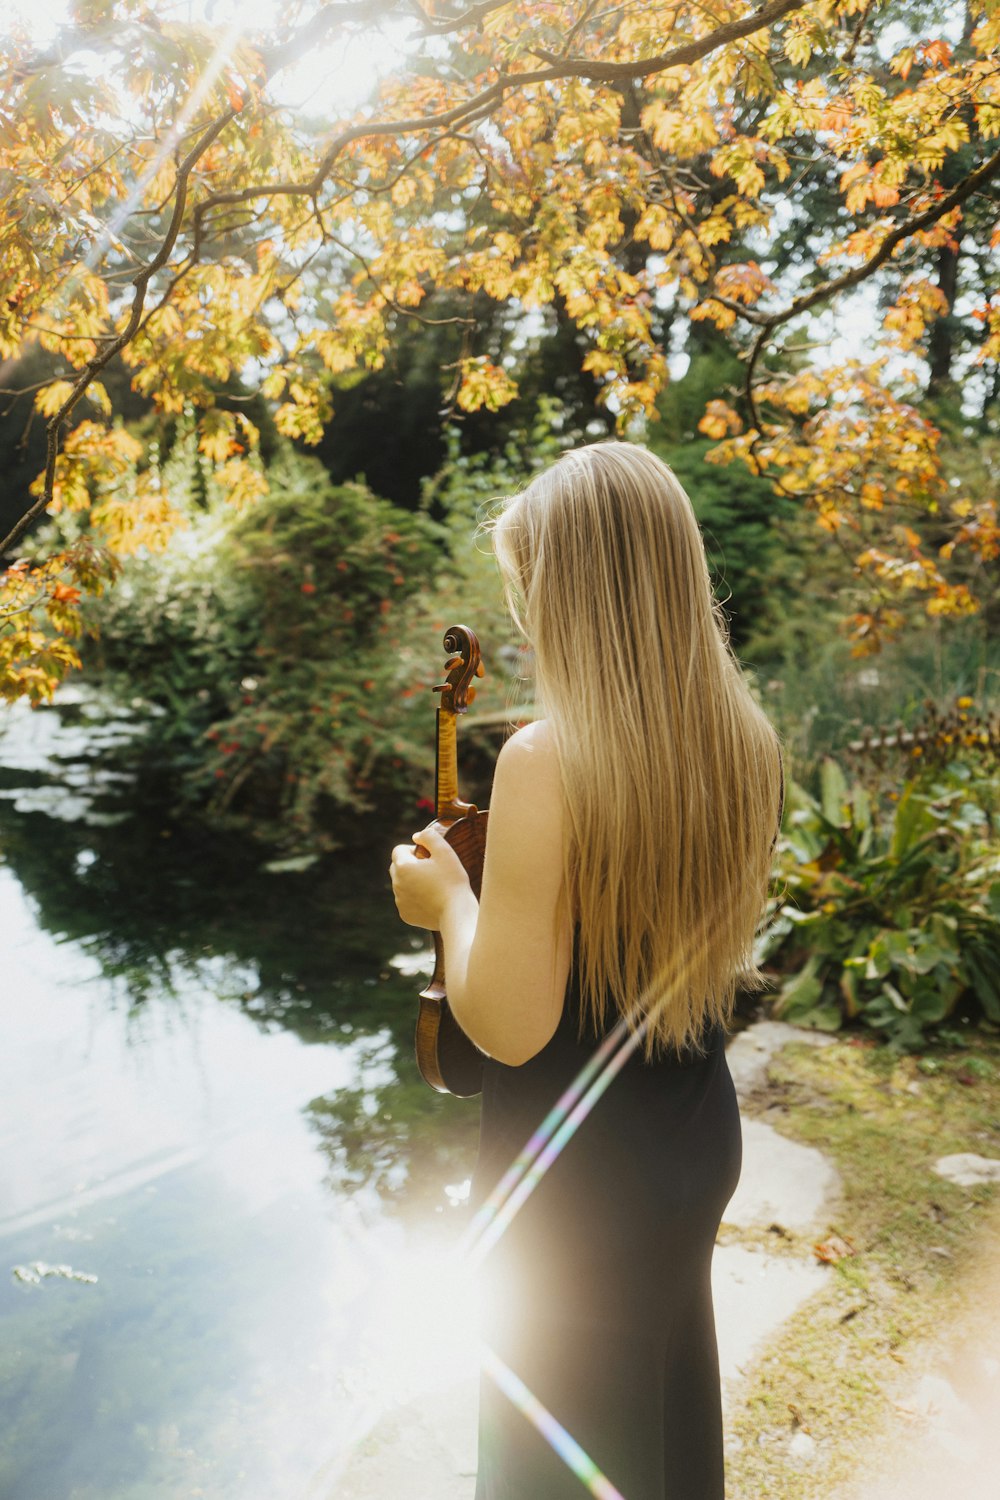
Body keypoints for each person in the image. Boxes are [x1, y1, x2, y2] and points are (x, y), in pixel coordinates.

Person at [390, 441, 783, 1500]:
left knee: (548, 1455)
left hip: (572, 1187)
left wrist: (448, 904)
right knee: (659, 1417)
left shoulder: (546, 762)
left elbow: (510, 1026)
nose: (521, 624)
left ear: (577, 595)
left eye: (531, 593)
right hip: (689, 1142)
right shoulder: (743, 741)